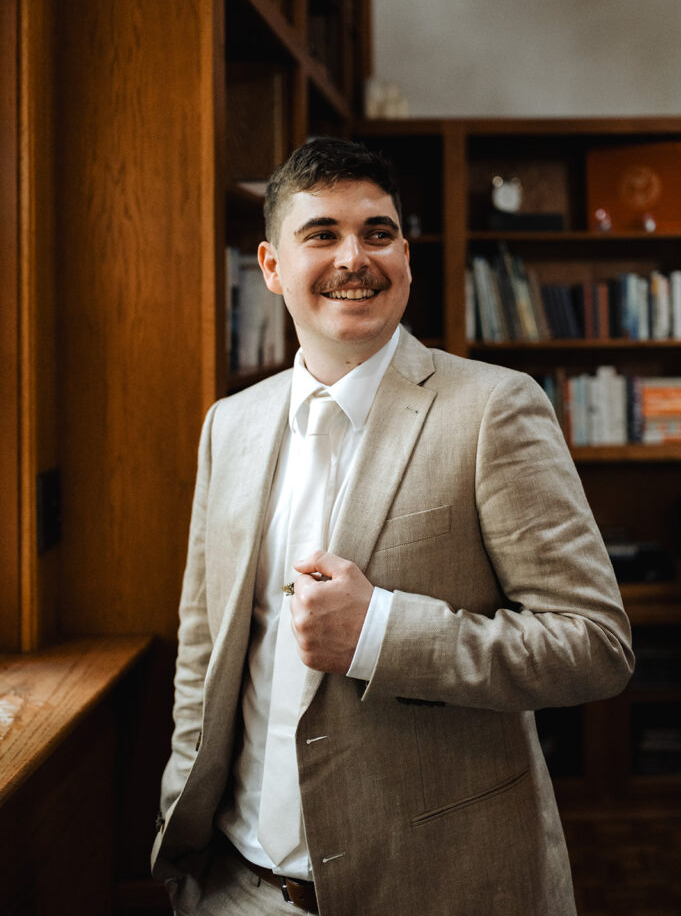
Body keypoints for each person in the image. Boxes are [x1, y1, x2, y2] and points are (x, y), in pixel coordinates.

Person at [152, 137, 634, 916]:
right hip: (232, 886)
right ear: (272, 266)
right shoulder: (228, 426)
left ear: (405, 256)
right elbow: (204, 647)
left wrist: (378, 632)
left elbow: (594, 646)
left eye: (377, 233)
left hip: (437, 888)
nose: (355, 257)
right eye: (322, 235)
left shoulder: (493, 408)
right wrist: (183, 846)